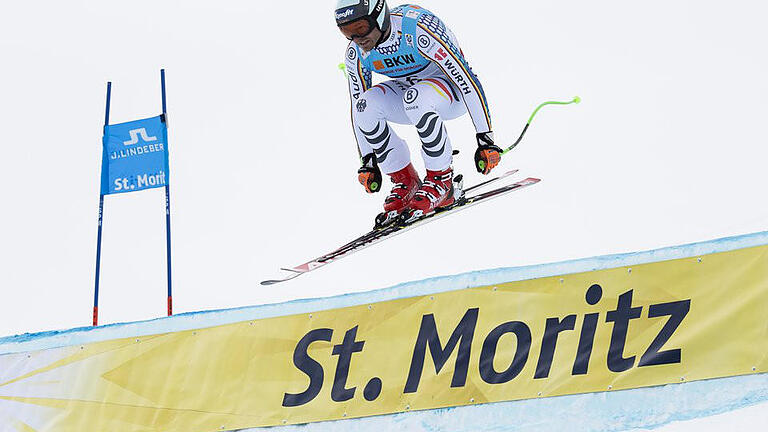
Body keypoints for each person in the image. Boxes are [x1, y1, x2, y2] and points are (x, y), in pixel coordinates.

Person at [336, 0, 503, 225]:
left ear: (379, 15)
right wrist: (367, 161)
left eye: (361, 29)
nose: (358, 39)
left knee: (415, 97)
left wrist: (485, 139)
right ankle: (405, 181)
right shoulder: (356, 53)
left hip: (451, 91)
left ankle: (441, 180)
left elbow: (467, 81)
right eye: (347, 32)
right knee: (365, 105)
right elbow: (357, 104)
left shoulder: (416, 30)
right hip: (411, 93)